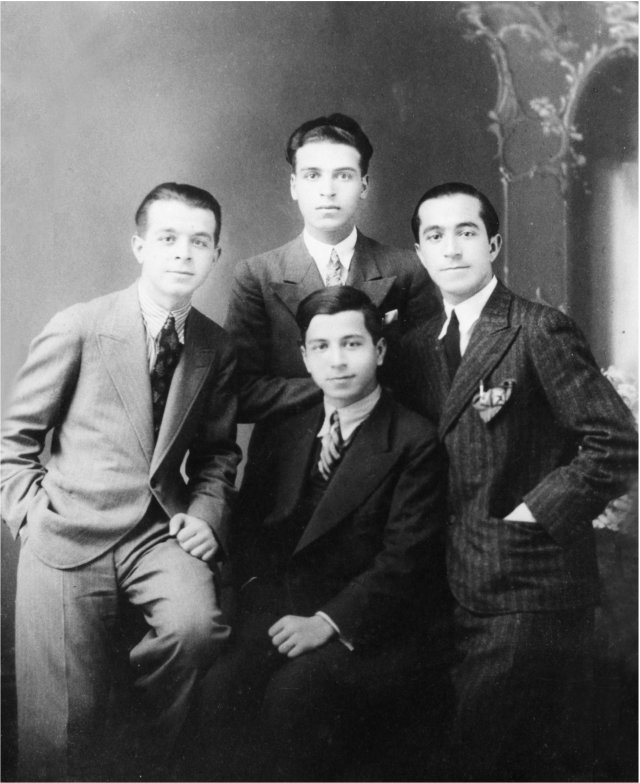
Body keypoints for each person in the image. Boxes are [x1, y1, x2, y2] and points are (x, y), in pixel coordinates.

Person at [393, 181, 638, 781]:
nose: (451, 249)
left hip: (528, 584)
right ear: (421, 254)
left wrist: (536, 510)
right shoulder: (416, 346)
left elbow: (617, 442)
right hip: (444, 582)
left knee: (479, 756)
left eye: (466, 232)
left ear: (494, 244)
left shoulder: (536, 329)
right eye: (435, 236)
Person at [1, 182, 241, 782]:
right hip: (66, 533)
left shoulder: (215, 345)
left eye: (199, 242)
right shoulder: (80, 326)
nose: (183, 254)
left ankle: (137, 760)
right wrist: (30, 516)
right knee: (59, 724)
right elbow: (13, 443)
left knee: (196, 631)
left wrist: (206, 515)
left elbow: (217, 454)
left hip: (156, 535)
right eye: (167, 238)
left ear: (215, 253)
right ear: (139, 246)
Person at [190, 286, 449, 782]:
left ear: (381, 351)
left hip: (367, 628)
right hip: (284, 612)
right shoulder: (287, 427)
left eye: (352, 344)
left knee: (294, 697)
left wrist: (326, 622)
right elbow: (255, 533)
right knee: (221, 690)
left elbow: (404, 563)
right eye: (322, 347)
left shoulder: (414, 439)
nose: (338, 361)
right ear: (305, 358)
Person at [224, 113, 439, 508]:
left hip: (382, 465)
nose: (327, 191)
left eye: (343, 175)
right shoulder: (257, 275)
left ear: (364, 186)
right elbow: (240, 392)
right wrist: (335, 386)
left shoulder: (407, 270)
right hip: (284, 471)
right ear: (294, 186)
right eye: (312, 176)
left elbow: (426, 384)